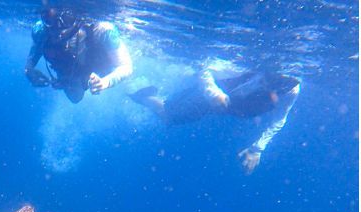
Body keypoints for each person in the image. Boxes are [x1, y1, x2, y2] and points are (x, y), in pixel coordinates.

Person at [129, 63, 301, 174]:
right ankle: (142, 97)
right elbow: (206, 68)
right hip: (214, 94)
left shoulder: (291, 88)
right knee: (170, 117)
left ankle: (147, 97)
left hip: (235, 108)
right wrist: (212, 93)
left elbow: (279, 119)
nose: (269, 87)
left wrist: (257, 148)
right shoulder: (248, 66)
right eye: (268, 81)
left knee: (173, 116)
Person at [24, 6, 133, 103]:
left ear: (77, 18)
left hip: (100, 69)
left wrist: (105, 82)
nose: (59, 28)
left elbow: (126, 66)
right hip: (70, 71)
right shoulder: (40, 32)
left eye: (67, 18)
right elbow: (32, 57)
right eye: (49, 18)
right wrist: (29, 70)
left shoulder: (102, 30)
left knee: (75, 96)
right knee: (75, 97)